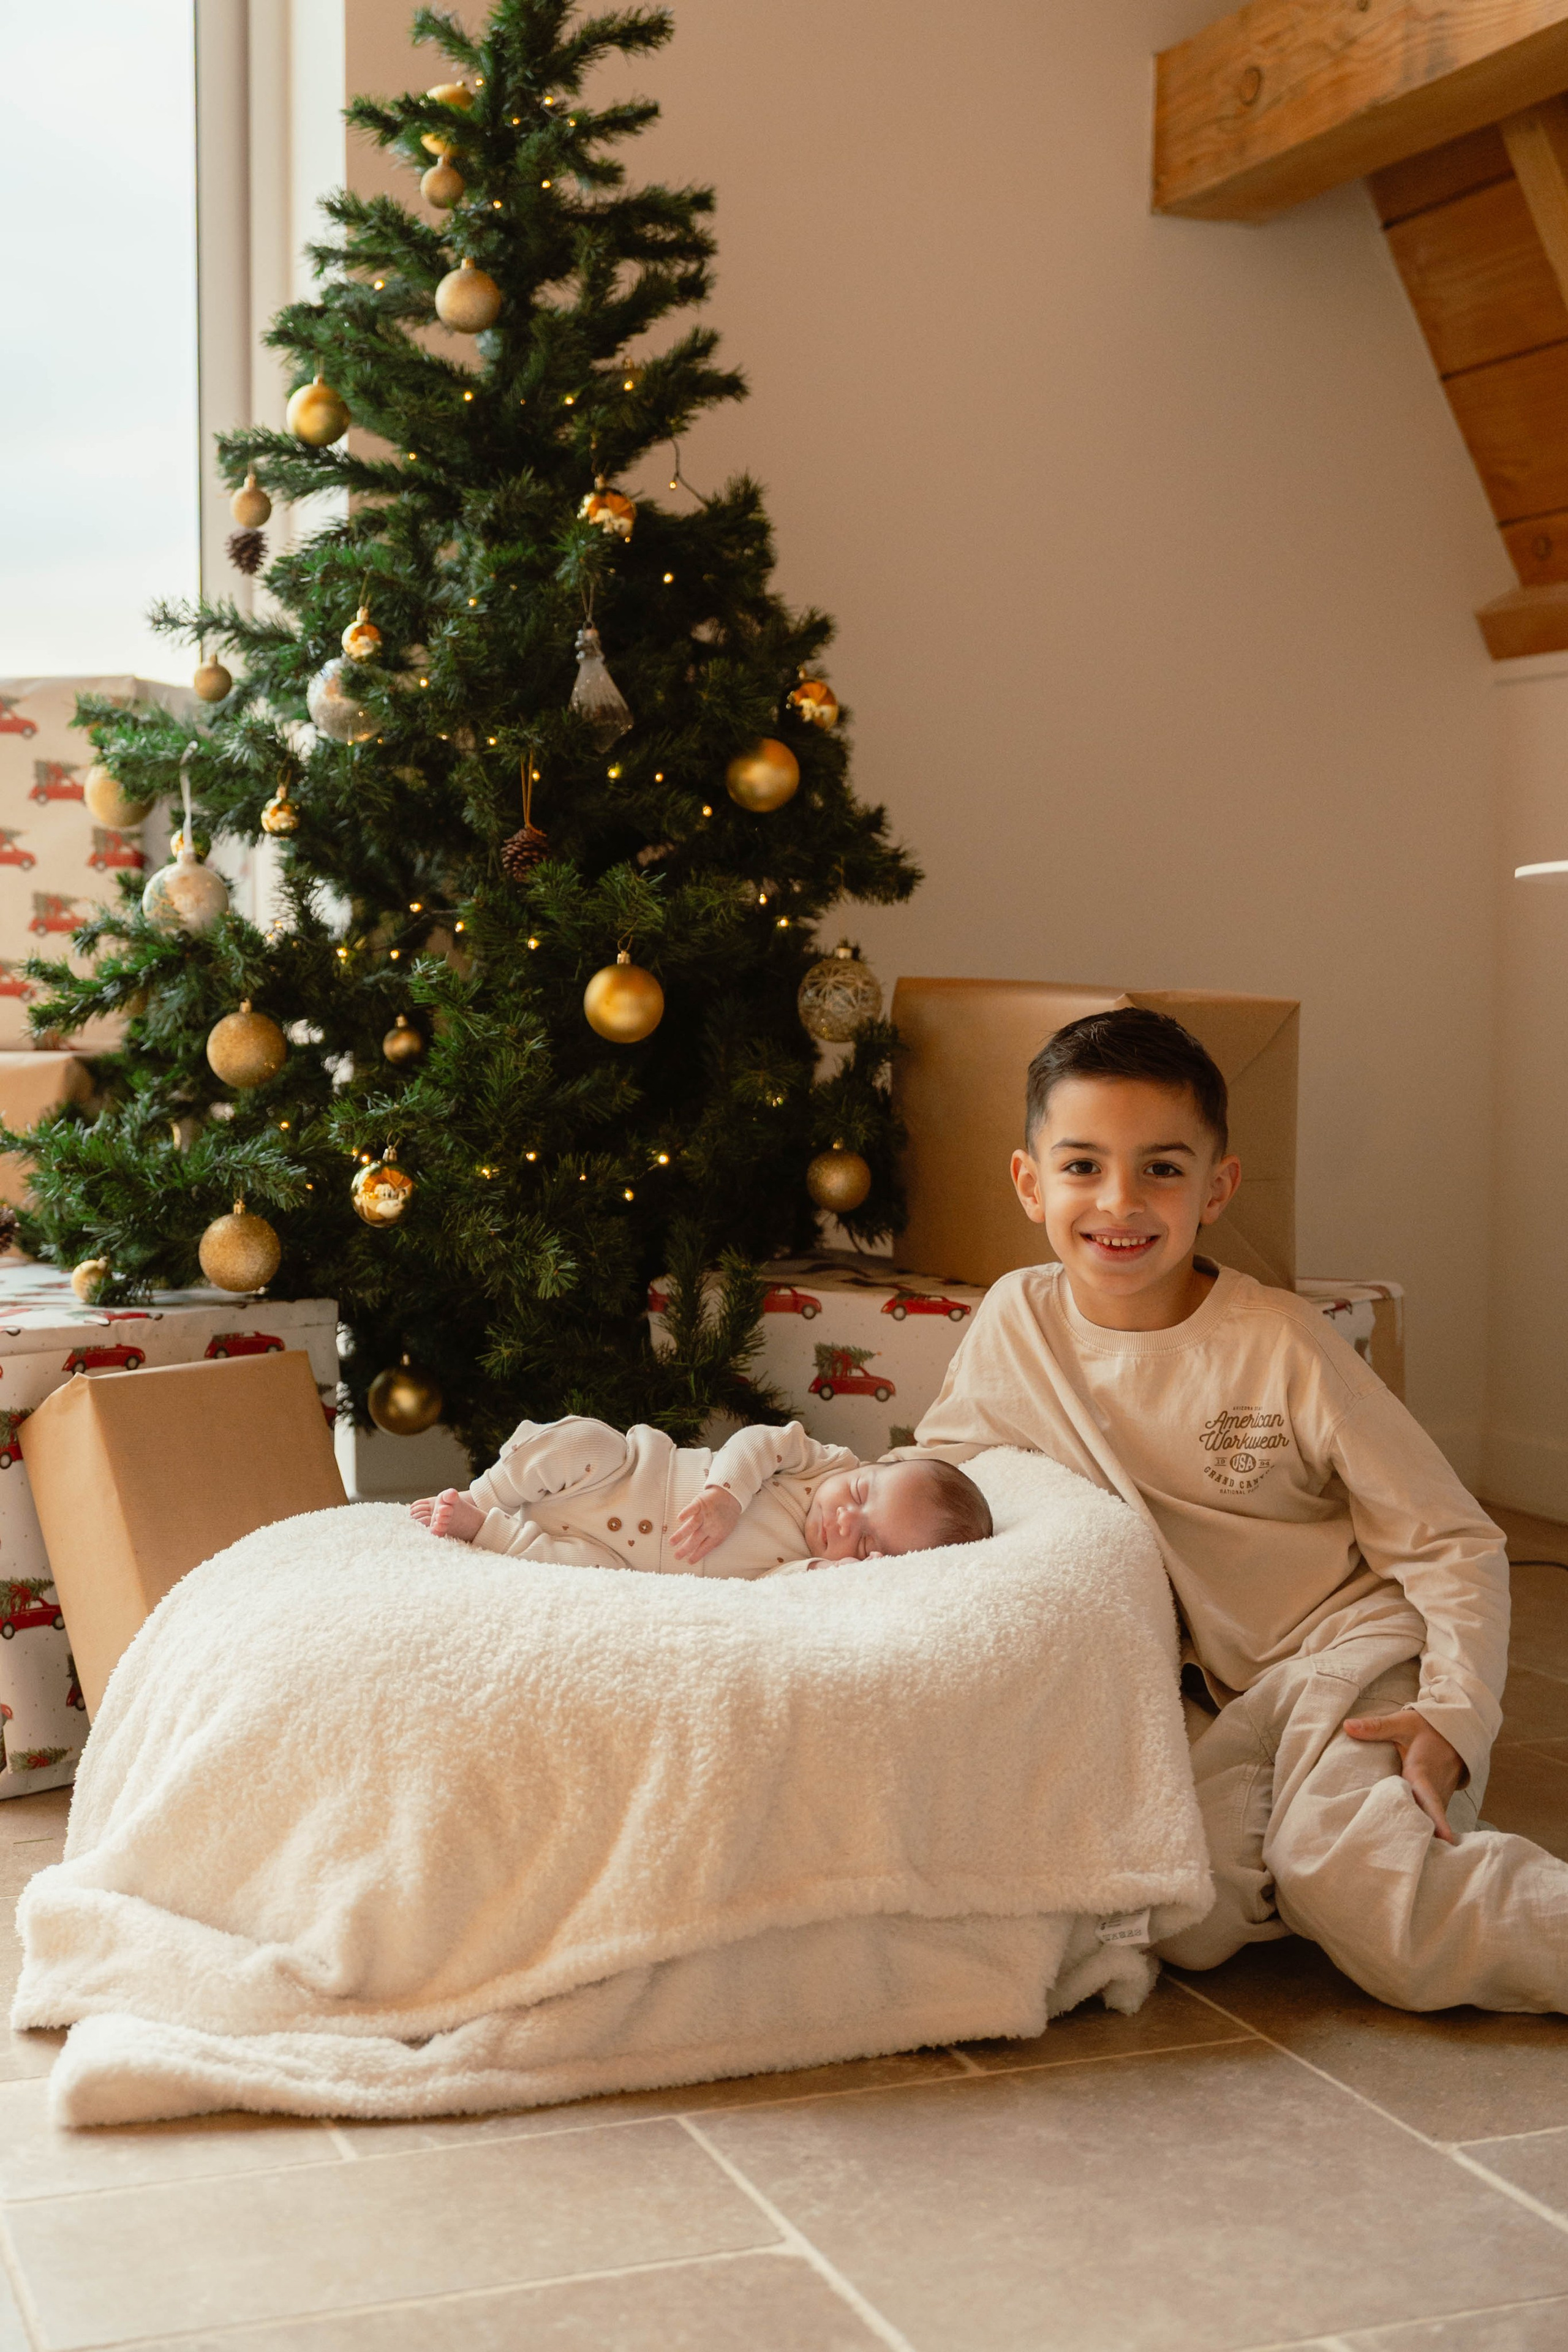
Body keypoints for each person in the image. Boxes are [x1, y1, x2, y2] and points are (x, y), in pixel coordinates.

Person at [900, 1005, 1568, 2011]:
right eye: (1082, 1166)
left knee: (1360, 1893)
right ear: (1030, 1182)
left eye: (1162, 1169)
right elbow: (956, 1473)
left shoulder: (1283, 1346)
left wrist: (1455, 1711)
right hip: (1225, 1698)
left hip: (1350, 1651)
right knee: (1191, 1920)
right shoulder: (1016, 1322)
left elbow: (1453, 1541)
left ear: (1218, 1187)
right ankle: (1331, 1853)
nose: (1119, 1201)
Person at [411, 1414, 992, 1578]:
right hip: (627, 1475)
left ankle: (482, 1530)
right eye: (863, 1494)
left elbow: (790, 1594)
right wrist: (725, 1495)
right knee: (589, 1440)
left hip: (622, 1560)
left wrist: (836, 1574)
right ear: (866, 1467)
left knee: (584, 1578)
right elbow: (759, 1443)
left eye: (865, 1541)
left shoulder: (803, 1567)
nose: (845, 1517)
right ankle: (482, 1495)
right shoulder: (827, 1465)